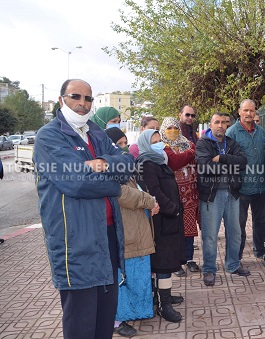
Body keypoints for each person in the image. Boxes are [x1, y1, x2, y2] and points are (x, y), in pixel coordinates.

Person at [34, 79, 134, 339]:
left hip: (109, 237)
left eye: (88, 99)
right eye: (75, 96)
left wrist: (99, 163)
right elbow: (76, 182)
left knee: (104, 319)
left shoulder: (97, 133)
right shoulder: (49, 136)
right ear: (61, 100)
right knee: (81, 322)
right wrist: (113, 183)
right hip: (75, 243)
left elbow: (128, 163)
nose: (82, 104)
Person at [105, 127, 159, 337]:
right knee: (121, 277)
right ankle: (117, 319)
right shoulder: (109, 168)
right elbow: (121, 193)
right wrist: (148, 200)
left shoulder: (125, 167)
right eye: (118, 144)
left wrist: (148, 200)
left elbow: (135, 189)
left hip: (136, 228)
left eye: (125, 143)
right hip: (123, 231)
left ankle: (131, 312)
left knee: (135, 274)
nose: (123, 148)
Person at [135, 129, 185, 322]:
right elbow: (154, 192)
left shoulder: (158, 161)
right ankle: (164, 306)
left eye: (159, 140)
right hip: (161, 220)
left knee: (168, 260)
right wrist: (172, 208)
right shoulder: (147, 164)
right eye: (154, 141)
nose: (159, 144)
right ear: (146, 144)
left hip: (169, 219)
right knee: (163, 262)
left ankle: (165, 295)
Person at [196, 113, 250, 286]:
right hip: (211, 196)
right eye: (216, 122)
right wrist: (229, 166)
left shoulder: (231, 143)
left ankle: (233, 265)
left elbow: (242, 162)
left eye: (223, 123)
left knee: (235, 233)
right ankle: (209, 270)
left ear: (227, 125)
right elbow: (205, 167)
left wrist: (223, 158)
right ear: (210, 125)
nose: (220, 125)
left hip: (232, 194)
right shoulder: (203, 143)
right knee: (210, 236)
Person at [226, 99, 265, 260]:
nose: (249, 114)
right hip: (241, 188)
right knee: (239, 225)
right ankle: (237, 255)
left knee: (260, 222)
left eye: (252, 111)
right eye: (246, 111)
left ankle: (260, 250)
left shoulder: (260, 131)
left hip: (260, 187)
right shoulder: (232, 132)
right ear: (239, 111)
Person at [160, 117, 200, 276]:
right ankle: (176, 263)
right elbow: (174, 162)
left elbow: (197, 163)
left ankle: (189, 259)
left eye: (175, 127)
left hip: (190, 194)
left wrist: (190, 152)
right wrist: (190, 153)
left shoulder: (188, 144)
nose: (172, 131)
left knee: (189, 229)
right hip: (171, 195)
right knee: (174, 230)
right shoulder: (162, 147)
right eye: (168, 128)